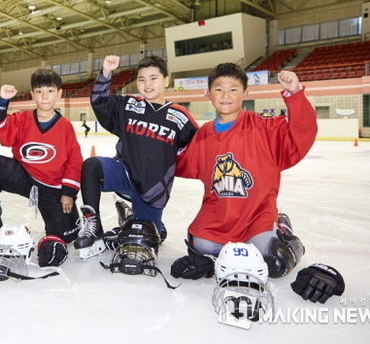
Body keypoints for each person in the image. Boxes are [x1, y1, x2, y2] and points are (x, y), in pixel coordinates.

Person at [171, 63, 317, 280]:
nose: (226, 95)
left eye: (233, 89)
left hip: (256, 216)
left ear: (245, 93)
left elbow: (300, 136)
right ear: (208, 93)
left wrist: (294, 94)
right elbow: (182, 163)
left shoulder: (264, 127)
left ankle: (282, 229)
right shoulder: (203, 134)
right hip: (217, 218)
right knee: (199, 248)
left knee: (275, 262)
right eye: (219, 89)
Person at [73, 55, 198, 255]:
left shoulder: (180, 116)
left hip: (152, 189)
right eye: (141, 79)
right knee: (91, 166)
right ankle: (94, 226)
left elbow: (198, 149)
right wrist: (106, 72)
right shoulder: (128, 105)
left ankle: (136, 219)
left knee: (147, 237)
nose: (147, 84)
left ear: (166, 80)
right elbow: (99, 101)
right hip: (123, 172)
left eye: (153, 78)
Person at [0, 69, 82, 267]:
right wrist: (2, 100)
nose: (44, 96)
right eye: (39, 91)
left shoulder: (65, 126)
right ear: (32, 94)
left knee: (66, 235)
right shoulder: (22, 119)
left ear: (59, 94)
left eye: (50, 91)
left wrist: (68, 192)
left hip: (51, 187)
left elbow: (74, 160)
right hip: (24, 176)